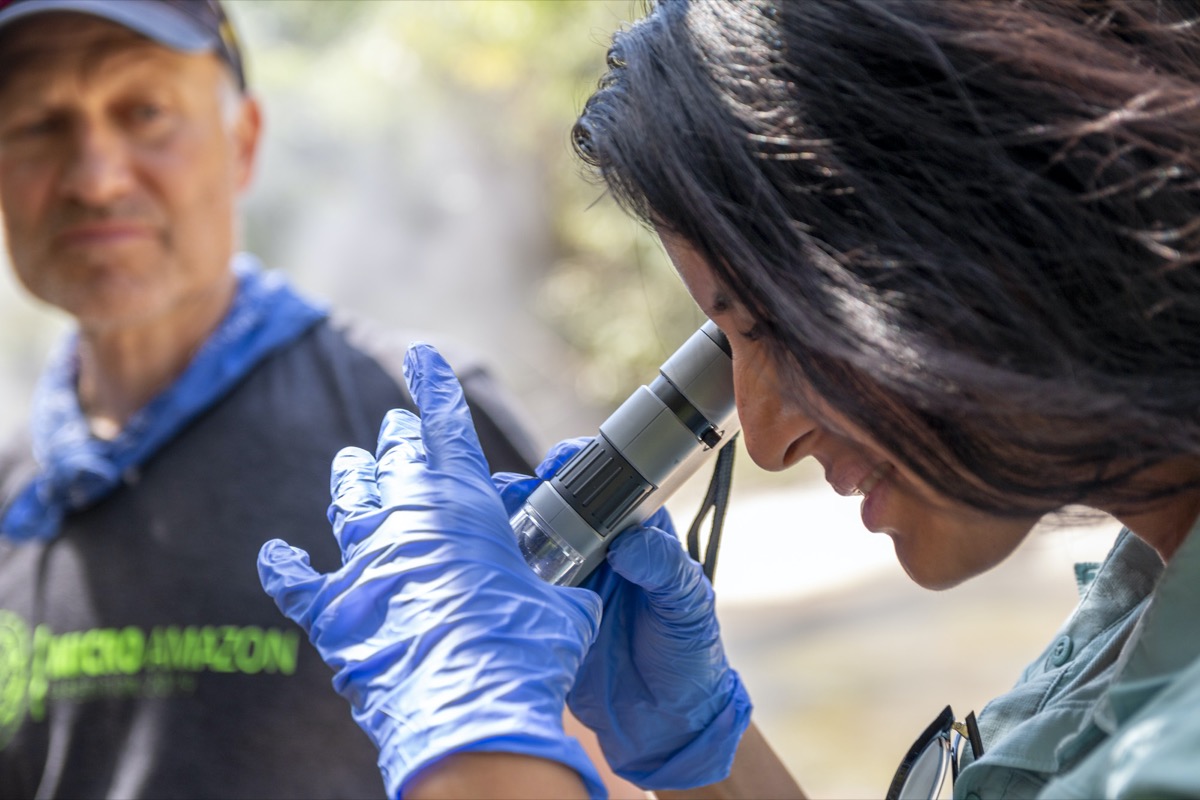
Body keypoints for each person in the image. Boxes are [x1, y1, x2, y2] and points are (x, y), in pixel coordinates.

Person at [257, 0, 1200, 798]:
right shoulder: (1144, 597)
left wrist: (473, 738)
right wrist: (706, 750)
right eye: (727, 344)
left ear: (989, 221)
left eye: (779, 326)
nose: (766, 436)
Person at [0, 1, 590, 797]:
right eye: (37, 123)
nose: (96, 177)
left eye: (145, 112)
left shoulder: (419, 422)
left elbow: (596, 755)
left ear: (242, 144)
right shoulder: (13, 490)